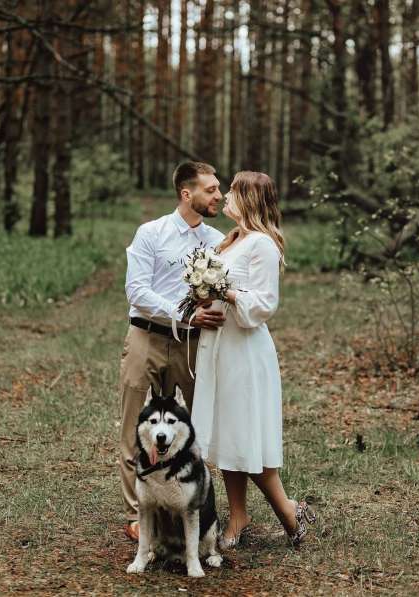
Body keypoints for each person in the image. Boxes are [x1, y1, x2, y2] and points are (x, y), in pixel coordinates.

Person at [191, 171, 316, 549]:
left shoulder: (262, 244)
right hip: (220, 346)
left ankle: (290, 514)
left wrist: (225, 291)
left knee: (249, 432)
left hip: (245, 349)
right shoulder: (231, 241)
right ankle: (239, 516)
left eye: (232, 190)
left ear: (248, 199)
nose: (225, 195)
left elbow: (263, 305)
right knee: (229, 431)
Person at [119, 161, 225, 541]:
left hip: (195, 346)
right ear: (187, 193)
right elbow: (136, 291)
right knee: (137, 427)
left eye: (218, 189)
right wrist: (181, 314)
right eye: (211, 190)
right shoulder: (151, 233)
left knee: (196, 428)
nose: (219, 195)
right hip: (147, 338)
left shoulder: (216, 241)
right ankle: (137, 516)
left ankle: (192, 508)